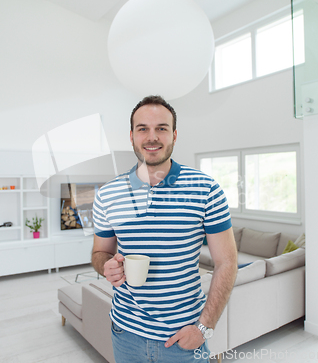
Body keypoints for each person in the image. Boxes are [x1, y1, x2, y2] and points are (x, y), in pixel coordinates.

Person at [92, 95, 237, 363]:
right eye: (142, 129)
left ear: (174, 135)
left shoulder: (206, 189)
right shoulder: (108, 194)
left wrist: (204, 328)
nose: (152, 137)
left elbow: (227, 262)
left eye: (161, 128)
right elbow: (100, 252)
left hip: (184, 338)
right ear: (131, 137)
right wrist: (106, 266)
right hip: (125, 333)